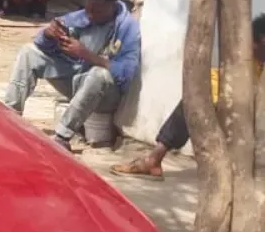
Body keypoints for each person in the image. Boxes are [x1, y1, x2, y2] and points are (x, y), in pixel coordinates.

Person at [113, 13, 265, 178]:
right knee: (193, 101)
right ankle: (154, 159)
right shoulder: (248, 61)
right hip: (233, 106)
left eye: (254, 42)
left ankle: (154, 159)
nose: (249, 46)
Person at [3, 0, 141, 151]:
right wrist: (48, 35)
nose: (90, 14)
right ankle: (9, 115)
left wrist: (87, 55)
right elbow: (43, 45)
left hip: (106, 95)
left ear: (112, 5)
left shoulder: (128, 28)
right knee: (29, 52)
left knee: (99, 74)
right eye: (88, 8)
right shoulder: (83, 17)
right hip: (76, 80)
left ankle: (62, 136)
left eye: (96, 10)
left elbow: (127, 74)